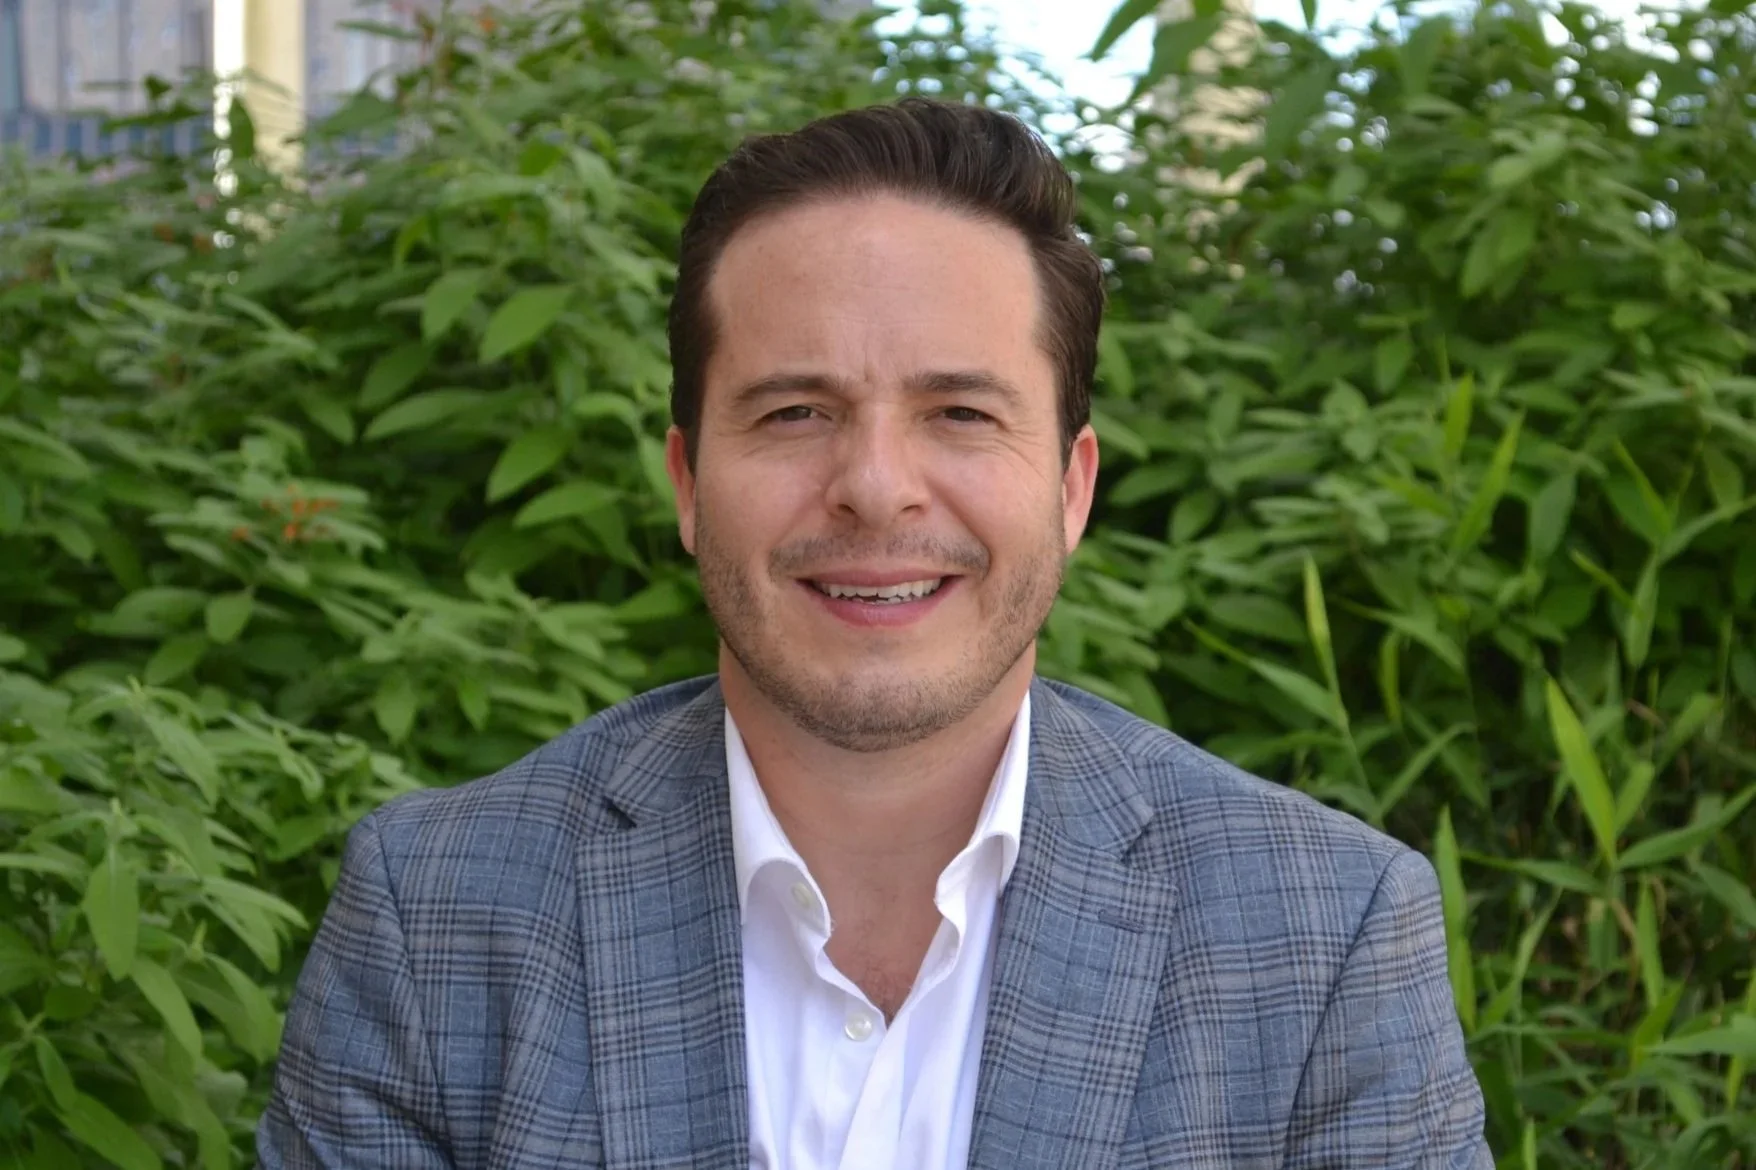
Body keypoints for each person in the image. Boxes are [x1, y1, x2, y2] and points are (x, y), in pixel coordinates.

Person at [258, 98, 1491, 1169]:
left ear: (1071, 489)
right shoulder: (438, 917)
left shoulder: (1323, 934)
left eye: (959, 412)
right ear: (688, 484)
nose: (876, 489)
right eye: (795, 412)